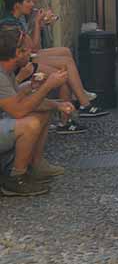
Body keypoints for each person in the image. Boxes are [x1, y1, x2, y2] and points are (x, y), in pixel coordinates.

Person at [3, 0, 106, 122]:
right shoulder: (10, 25)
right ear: (17, 5)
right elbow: (33, 49)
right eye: (29, 1)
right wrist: (38, 24)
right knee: (64, 69)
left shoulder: (19, 19)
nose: (33, 4)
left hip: (27, 58)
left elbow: (34, 48)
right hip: (22, 63)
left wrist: (39, 24)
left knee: (65, 52)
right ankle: (79, 107)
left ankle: (79, 94)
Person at [0, 23, 71, 196]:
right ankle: (15, 179)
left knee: (41, 110)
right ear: (17, 53)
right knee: (30, 124)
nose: (32, 55)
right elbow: (18, 111)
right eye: (28, 51)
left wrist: (57, 105)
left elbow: (24, 101)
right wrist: (48, 86)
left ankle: (35, 165)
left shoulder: (7, 71)